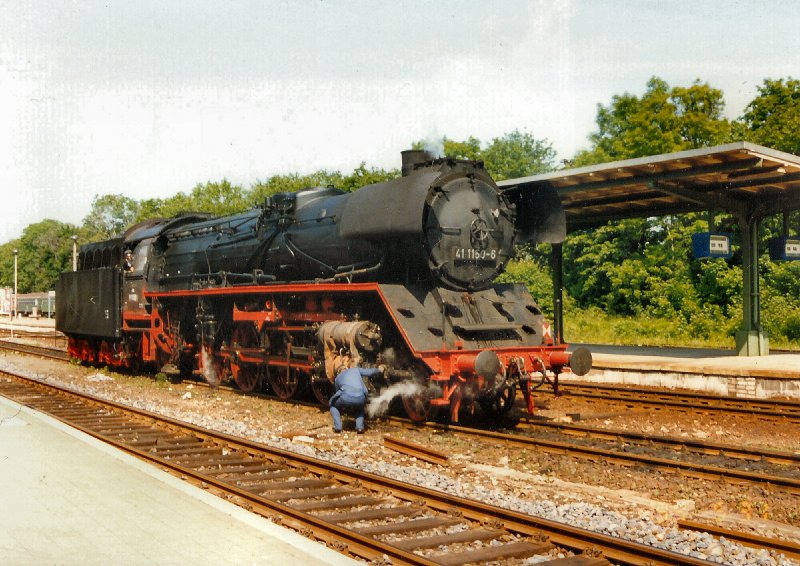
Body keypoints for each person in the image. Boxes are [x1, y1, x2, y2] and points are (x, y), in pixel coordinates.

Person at [329, 363, 383, 434]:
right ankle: (360, 428)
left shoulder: (337, 378)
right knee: (360, 408)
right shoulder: (355, 370)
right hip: (361, 397)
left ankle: (338, 427)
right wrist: (379, 369)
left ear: (338, 372)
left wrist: (334, 401)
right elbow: (369, 372)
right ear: (346, 368)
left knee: (332, 404)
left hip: (345, 397)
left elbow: (337, 392)